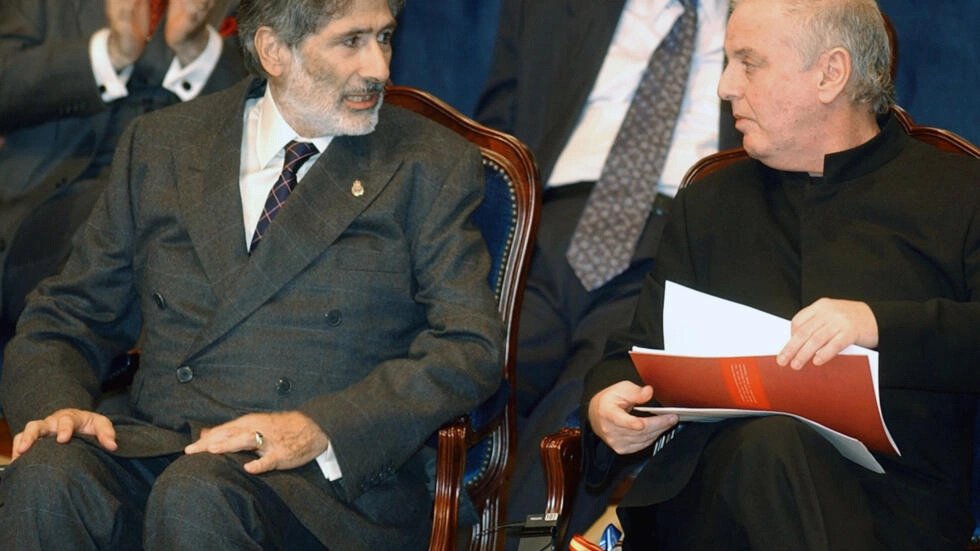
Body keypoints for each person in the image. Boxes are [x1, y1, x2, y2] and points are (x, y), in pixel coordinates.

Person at [0, 0, 503, 549]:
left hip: (319, 487)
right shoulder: (165, 145)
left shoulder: (426, 163)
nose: (380, 68)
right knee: (49, 473)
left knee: (199, 496)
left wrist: (322, 428)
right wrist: (55, 412)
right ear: (273, 51)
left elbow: (468, 345)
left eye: (384, 38)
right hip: (162, 448)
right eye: (351, 42)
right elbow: (67, 315)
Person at [584, 0, 980, 549]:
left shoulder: (959, 194)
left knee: (777, 447)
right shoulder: (710, 203)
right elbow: (638, 352)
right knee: (769, 446)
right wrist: (608, 404)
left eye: (749, 63)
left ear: (830, 74)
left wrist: (877, 327)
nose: (725, 86)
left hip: (892, 509)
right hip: (711, 504)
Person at [474, 0, 737, 539]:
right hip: (542, 229)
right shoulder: (551, 11)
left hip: (678, 242)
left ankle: (514, 545)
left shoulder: (771, 21)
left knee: (594, 398)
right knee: (466, 365)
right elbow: (492, 135)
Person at [0, 0, 247, 373]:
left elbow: (278, 95)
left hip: (191, 196)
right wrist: (111, 53)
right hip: (53, 202)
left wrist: (196, 50)